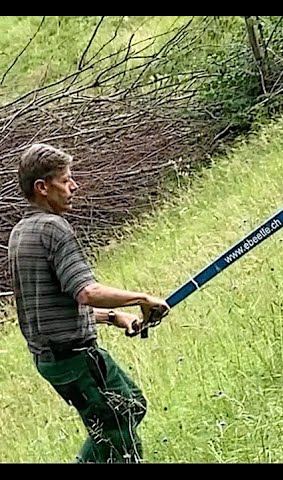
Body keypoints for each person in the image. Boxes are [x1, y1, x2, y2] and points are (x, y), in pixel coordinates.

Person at [7, 143, 170, 463]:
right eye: (65, 180)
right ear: (42, 188)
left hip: (54, 360)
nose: (73, 186)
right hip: (75, 359)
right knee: (116, 428)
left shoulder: (20, 233)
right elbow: (85, 292)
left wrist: (112, 317)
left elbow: (48, 307)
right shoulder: (53, 229)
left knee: (130, 405)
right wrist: (141, 298)